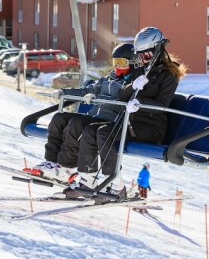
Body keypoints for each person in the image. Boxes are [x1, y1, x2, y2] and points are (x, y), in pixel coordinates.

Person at [74, 27, 186, 199]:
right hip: (130, 122)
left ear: (157, 50)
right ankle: (88, 178)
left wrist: (140, 104)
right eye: (140, 56)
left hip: (151, 127)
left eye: (146, 56)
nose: (143, 60)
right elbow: (122, 95)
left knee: (105, 132)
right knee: (90, 131)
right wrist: (132, 86)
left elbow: (163, 103)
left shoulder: (169, 74)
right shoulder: (140, 71)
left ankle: (115, 185)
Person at [31, 43, 137, 183]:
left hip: (109, 121)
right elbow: (87, 90)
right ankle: (51, 162)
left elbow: (124, 103)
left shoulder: (134, 83)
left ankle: (67, 168)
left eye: (121, 62)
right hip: (94, 116)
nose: (117, 66)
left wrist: (98, 99)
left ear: (133, 63)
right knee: (59, 118)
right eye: (114, 62)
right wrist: (65, 92)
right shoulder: (108, 78)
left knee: (76, 124)